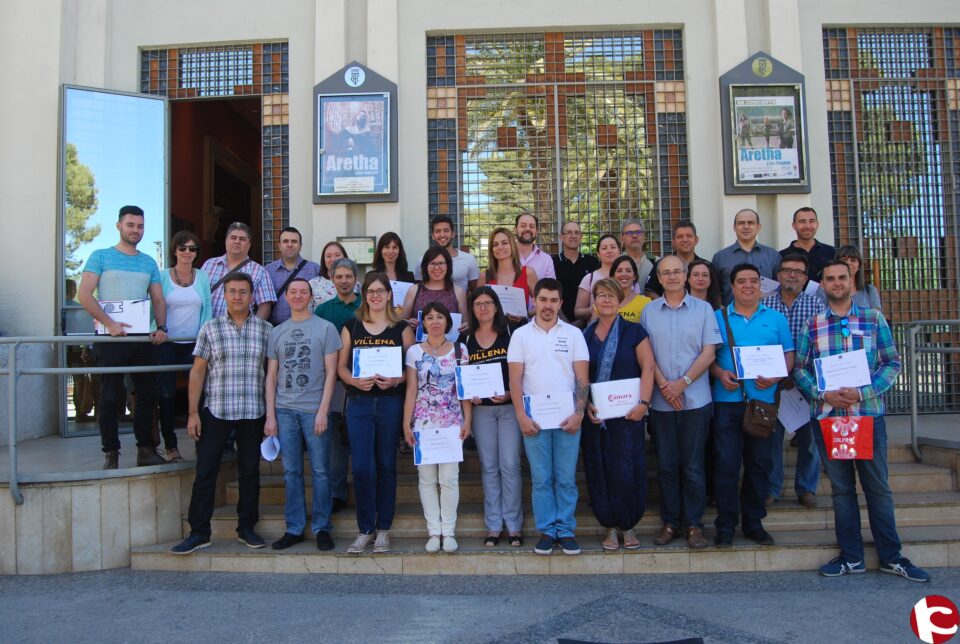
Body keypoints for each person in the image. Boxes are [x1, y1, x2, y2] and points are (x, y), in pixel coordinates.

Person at [794, 260, 929, 582]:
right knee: (841, 490)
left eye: (842, 277)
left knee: (878, 489)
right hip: (829, 419)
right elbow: (800, 368)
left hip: (866, 417)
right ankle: (851, 557)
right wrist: (822, 394)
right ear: (822, 285)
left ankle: (891, 556)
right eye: (830, 279)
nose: (837, 283)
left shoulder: (873, 318)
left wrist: (862, 393)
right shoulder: (812, 324)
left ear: (851, 281)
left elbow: (892, 362)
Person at [171, 272, 272, 554]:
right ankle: (199, 532)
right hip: (217, 410)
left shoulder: (265, 330)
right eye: (232, 292)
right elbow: (198, 371)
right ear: (224, 296)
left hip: (253, 412)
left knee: (250, 472)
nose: (237, 296)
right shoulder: (210, 329)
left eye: (243, 292)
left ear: (252, 297)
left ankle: (247, 527)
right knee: (206, 472)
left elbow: (272, 373)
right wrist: (192, 412)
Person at [77, 205, 168, 469]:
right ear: (119, 226)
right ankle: (111, 453)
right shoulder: (100, 256)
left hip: (141, 339)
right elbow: (84, 295)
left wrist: (161, 327)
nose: (135, 230)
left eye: (140, 226)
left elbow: (158, 300)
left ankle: (146, 450)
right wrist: (110, 323)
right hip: (110, 339)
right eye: (130, 225)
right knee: (109, 396)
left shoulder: (149, 262)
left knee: (147, 395)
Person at [709, 264, 794, 547]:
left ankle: (754, 522)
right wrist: (720, 374)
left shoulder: (777, 319)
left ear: (760, 285)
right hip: (727, 403)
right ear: (732, 287)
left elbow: (789, 356)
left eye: (753, 281)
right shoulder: (718, 318)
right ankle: (725, 525)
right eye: (741, 281)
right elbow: (707, 357)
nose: (748, 286)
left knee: (759, 465)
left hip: (763, 404)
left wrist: (777, 375)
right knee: (726, 465)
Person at [641, 256, 721, 549]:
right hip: (661, 403)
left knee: (693, 466)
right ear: (659, 279)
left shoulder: (704, 310)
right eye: (666, 273)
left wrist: (682, 383)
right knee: (666, 466)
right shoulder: (649, 312)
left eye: (677, 271)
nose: (672, 277)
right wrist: (664, 386)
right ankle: (670, 522)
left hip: (696, 401)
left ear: (686, 275)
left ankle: (694, 525)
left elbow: (708, 353)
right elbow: (646, 356)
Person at [508, 278, 590, 556]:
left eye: (554, 300)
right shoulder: (520, 336)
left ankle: (565, 530)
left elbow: (582, 378)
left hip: (569, 420)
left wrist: (579, 413)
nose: (548, 305)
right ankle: (547, 530)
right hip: (535, 421)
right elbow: (516, 380)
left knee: (566, 477)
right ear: (534, 302)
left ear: (561, 304)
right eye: (543, 299)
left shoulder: (574, 334)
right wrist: (521, 416)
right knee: (542, 478)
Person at [337, 273, 416, 554]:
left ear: (389, 294)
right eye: (370, 291)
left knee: (385, 465)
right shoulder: (352, 326)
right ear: (364, 294)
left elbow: (412, 370)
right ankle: (365, 529)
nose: (375, 296)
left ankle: (383, 530)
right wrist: (353, 380)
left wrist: (396, 380)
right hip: (358, 402)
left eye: (380, 291)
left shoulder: (402, 328)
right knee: (360, 467)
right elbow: (341, 367)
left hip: (390, 403)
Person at [264, 278, 341, 552]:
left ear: (311, 297)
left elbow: (332, 373)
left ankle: (322, 527)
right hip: (284, 411)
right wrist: (270, 415)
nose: (298, 296)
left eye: (303, 292)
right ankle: (294, 527)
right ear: (286, 297)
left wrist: (323, 411)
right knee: (291, 471)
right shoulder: (277, 332)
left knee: (321, 471)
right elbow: (271, 375)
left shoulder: (326, 328)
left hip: (313, 411)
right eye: (293, 292)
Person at [582, 278, 655, 550]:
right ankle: (610, 526)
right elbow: (579, 376)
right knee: (600, 470)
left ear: (620, 299)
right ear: (594, 301)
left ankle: (629, 524)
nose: (606, 300)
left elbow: (648, 368)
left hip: (628, 416)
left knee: (627, 471)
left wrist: (644, 403)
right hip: (597, 417)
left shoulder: (634, 331)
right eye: (600, 295)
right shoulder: (586, 336)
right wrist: (586, 404)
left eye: (611, 295)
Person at [403, 302, 472, 553]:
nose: (434, 321)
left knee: (449, 479)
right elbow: (411, 390)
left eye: (439, 317)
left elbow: (464, 390)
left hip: (452, 422)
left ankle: (448, 531)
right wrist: (406, 424)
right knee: (427, 479)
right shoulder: (414, 352)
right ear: (423, 323)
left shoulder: (459, 349)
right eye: (429, 317)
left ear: (447, 322)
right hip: (423, 422)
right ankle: (434, 531)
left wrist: (468, 420)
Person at [459, 287, 524, 547]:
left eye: (488, 303)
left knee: (510, 465)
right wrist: (469, 395)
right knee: (488, 467)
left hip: (509, 408)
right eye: (478, 304)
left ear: (496, 307)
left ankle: (514, 526)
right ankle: (494, 526)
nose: (484, 308)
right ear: (472, 309)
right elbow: (461, 377)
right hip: (481, 411)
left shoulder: (511, 335)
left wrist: (510, 393)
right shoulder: (465, 340)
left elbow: (522, 372)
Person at [761, 255, 825, 508]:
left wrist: (799, 373)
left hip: (808, 383)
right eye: (787, 270)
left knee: (810, 440)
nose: (792, 275)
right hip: (773, 383)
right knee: (771, 439)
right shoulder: (764, 305)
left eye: (798, 272)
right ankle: (772, 488)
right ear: (778, 275)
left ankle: (807, 488)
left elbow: (822, 345)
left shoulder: (817, 306)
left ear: (806, 278)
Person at [157, 230, 212, 463]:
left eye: (193, 248)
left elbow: (207, 307)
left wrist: (204, 336)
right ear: (174, 250)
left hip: (195, 344)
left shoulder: (202, 277)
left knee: (200, 396)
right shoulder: (161, 276)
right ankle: (170, 446)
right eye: (183, 248)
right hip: (167, 344)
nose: (188, 252)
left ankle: (202, 445)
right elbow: (154, 305)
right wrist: (157, 328)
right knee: (167, 395)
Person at [314, 258, 361, 514]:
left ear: (356, 279)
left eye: (348, 276)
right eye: (339, 276)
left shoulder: (366, 306)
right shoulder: (322, 310)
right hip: (332, 382)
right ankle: (336, 493)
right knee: (334, 440)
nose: (344, 280)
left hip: (363, 381)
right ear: (332, 279)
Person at [201, 221, 275, 321]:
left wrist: (253, 330)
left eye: (242, 239)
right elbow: (198, 296)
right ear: (226, 241)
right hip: (209, 330)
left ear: (249, 244)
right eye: (233, 237)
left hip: (240, 332)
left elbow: (265, 306)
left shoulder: (260, 271)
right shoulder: (209, 264)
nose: (237, 241)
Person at [711, 209, 781, 304]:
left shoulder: (773, 255)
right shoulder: (720, 257)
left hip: (766, 314)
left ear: (758, 227)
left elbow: (780, 287)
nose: (746, 227)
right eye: (741, 223)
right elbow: (715, 291)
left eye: (751, 223)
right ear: (734, 227)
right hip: (731, 316)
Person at [646, 220, 720, 298]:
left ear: (696, 240)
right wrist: (666, 306)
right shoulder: (662, 264)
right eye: (680, 236)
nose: (685, 240)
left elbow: (716, 294)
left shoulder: (706, 266)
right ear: (673, 242)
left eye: (689, 236)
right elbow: (650, 291)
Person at [264, 226, 321, 325]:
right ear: (279, 245)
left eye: (294, 241)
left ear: (300, 245)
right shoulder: (268, 271)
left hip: (308, 328)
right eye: (285, 241)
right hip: (277, 330)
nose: (290, 245)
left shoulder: (315, 269)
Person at [401, 246, 468, 331]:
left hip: (450, 343)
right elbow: (402, 322)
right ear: (425, 266)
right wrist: (408, 322)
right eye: (432, 263)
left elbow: (465, 323)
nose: (437, 268)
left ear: (448, 266)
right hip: (419, 343)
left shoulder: (458, 291)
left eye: (441, 263)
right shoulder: (414, 290)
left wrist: (465, 326)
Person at [480, 227, 538, 321]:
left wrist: (526, 314)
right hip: (492, 331)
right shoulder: (484, 276)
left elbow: (541, 304)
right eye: (495, 244)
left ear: (512, 245)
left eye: (504, 243)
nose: (500, 247)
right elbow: (477, 307)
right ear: (491, 249)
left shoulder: (528, 273)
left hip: (520, 331)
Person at [413, 215, 480, 293]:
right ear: (433, 236)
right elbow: (419, 292)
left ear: (453, 234)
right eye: (438, 231)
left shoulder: (469, 260)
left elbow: (475, 293)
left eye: (446, 230)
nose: (442, 235)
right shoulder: (422, 261)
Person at [552, 220, 599, 326]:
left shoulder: (593, 262)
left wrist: (582, 321)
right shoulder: (552, 263)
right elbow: (551, 293)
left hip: (589, 322)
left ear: (581, 237)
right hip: (559, 323)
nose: (573, 236)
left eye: (577, 232)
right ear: (561, 237)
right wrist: (566, 324)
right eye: (568, 232)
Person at [574, 234, 621, 324]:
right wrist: (593, 309)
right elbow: (578, 312)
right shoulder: (589, 278)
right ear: (598, 254)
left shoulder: (626, 277)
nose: (609, 251)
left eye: (613, 247)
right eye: (604, 248)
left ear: (619, 251)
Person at [779, 207, 835, 283]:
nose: (807, 226)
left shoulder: (831, 252)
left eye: (812, 221)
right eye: (802, 221)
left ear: (817, 224)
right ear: (794, 226)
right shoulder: (782, 256)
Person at [590, 255, 652, 323]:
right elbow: (592, 331)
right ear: (612, 276)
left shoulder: (645, 302)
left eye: (628, 271)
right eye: (619, 271)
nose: (624, 274)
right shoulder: (602, 302)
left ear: (634, 276)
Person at [833, 245, 882, 310]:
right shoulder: (828, 290)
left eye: (853, 260)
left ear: (859, 266)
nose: (848, 263)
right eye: (844, 260)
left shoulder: (870, 290)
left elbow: (877, 317)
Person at [309, 241, 352, 310]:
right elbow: (307, 313)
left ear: (344, 257)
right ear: (324, 259)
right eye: (328, 256)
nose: (333, 259)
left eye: (337, 255)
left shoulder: (354, 283)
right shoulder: (313, 284)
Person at [514, 212, 556, 280]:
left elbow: (550, 289)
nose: (527, 229)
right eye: (523, 225)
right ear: (515, 230)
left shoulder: (546, 260)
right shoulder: (506, 256)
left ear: (536, 232)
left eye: (532, 226)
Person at [620, 218, 658, 290]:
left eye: (638, 232)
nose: (634, 236)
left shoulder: (656, 261)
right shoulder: (616, 263)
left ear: (644, 237)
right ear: (622, 239)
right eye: (629, 233)